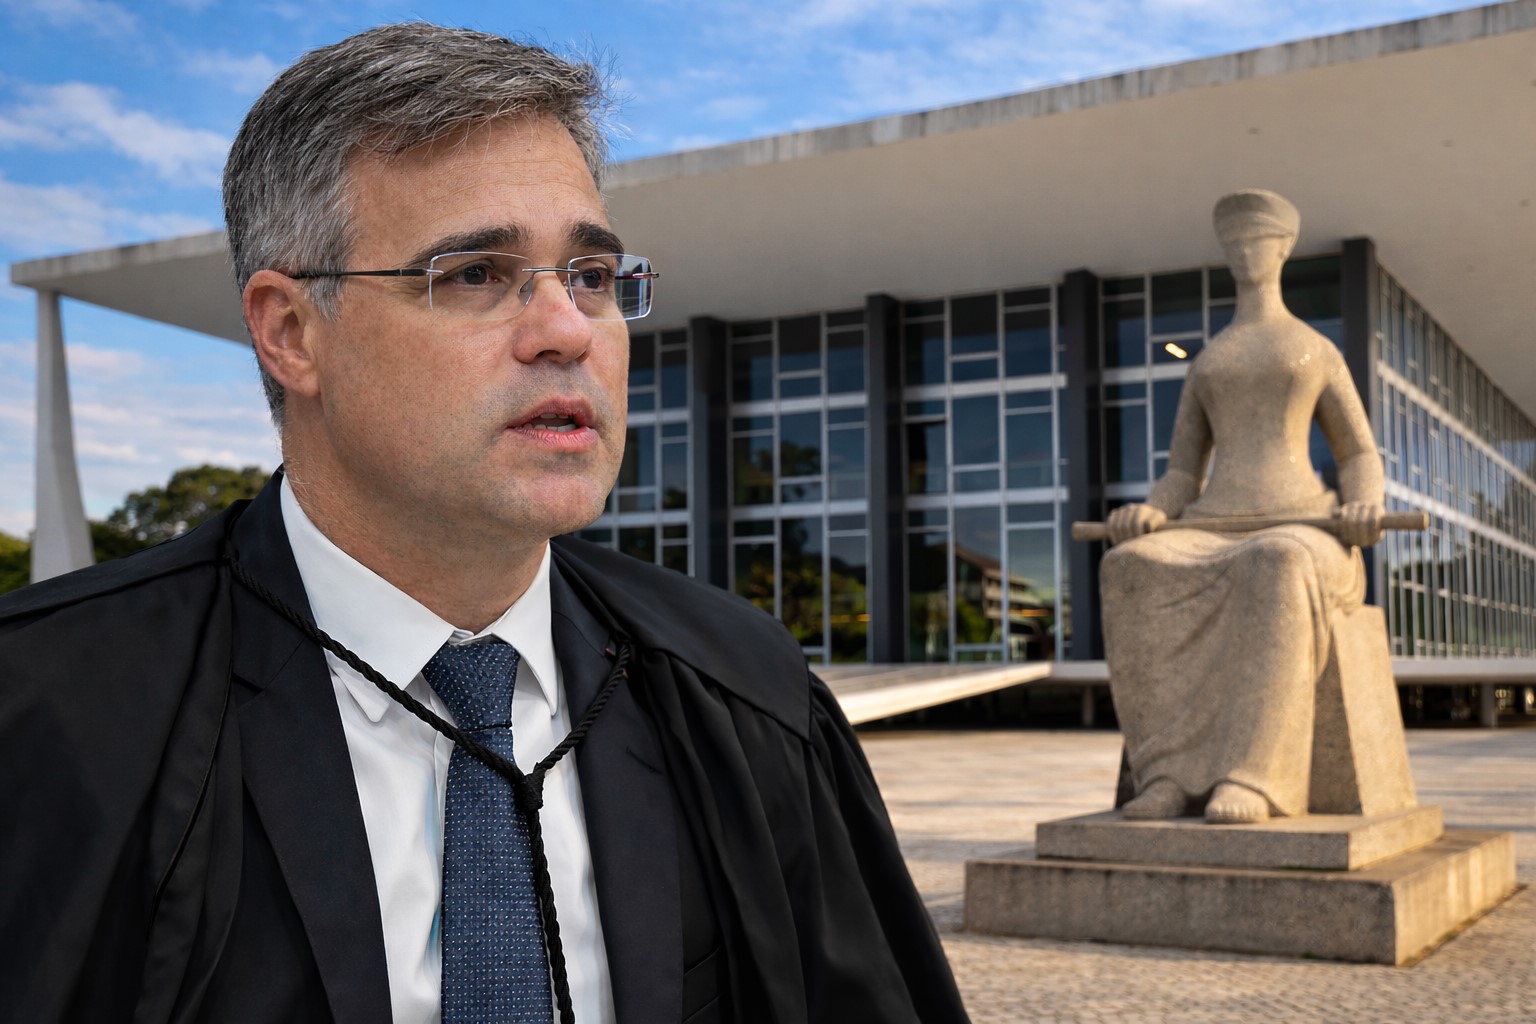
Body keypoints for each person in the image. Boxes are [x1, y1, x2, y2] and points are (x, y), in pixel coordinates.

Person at [0, 23, 969, 1024]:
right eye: (473, 274)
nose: (566, 330)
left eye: (592, 276)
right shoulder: (51, 718)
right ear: (291, 332)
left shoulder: (743, 696)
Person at [1100, 189, 1384, 826]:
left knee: (1277, 562)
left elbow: (1359, 452)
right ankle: (1167, 772)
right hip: (1213, 523)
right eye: (1232, 245)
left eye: (1255, 241)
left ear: (1283, 248)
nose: (1243, 254)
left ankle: (1254, 776)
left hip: (1305, 524)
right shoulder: (1210, 361)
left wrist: (1365, 504)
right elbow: (1181, 471)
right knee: (1128, 569)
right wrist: (1148, 512)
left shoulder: (1313, 349)